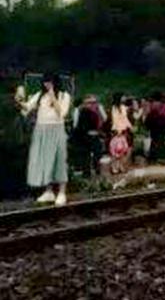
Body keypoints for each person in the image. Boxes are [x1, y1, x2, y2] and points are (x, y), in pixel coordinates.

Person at [20, 73, 71, 206]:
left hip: (56, 129)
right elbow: (27, 107)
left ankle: (62, 192)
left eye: (49, 82)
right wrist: (18, 100)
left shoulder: (64, 96)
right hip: (41, 129)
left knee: (59, 159)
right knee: (44, 160)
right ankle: (48, 191)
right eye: (45, 82)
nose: (46, 84)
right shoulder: (39, 95)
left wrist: (53, 95)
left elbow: (62, 113)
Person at [73, 94, 107, 178]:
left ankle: (96, 169)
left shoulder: (97, 111)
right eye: (89, 102)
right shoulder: (82, 111)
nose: (92, 104)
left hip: (95, 135)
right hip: (84, 137)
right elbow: (77, 125)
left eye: (94, 102)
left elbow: (105, 119)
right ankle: (87, 173)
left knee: (97, 154)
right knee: (86, 156)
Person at [109, 92, 133, 174]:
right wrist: (118, 129)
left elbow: (125, 118)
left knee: (122, 149)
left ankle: (120, 166)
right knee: (115, 149)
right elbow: (115, 119)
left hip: (123, 129)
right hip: (117, 130)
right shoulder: (114, 108)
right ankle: (114, 167)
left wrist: (129, 126)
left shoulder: (122, 107)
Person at [144, 92, 165, 162]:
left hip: (155, 126)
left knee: (155, 141)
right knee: (160, 141)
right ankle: (159, 157)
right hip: (160, 126)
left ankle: (153, 157)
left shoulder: (154, 105)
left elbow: (149, 115)